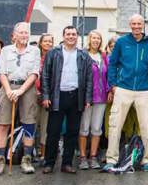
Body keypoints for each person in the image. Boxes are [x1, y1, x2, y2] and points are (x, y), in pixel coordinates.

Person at [103, 14, 148, 172]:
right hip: (123, 88)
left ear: (143, 25)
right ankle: (111, 160)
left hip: (144, 90)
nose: (136, 26)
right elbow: (112, 64)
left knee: (147, 126)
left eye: (139, 24)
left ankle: (146, 160)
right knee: (115, 125)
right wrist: (113, 85)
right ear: (130, 24)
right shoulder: (121, 42)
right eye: (133, 24)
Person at [41, 26, 93, 174]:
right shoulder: (53, 53)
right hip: (57, 97)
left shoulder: (83, 55)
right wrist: (45, 96)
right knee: (53, 131)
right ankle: (49, 163)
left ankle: (67, 163)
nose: (71, 36)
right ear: (63, 36)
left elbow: (89, 78)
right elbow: (45, 75)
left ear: (77, 37)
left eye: (74, 34)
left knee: (72, 132)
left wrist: (87, 98)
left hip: (76, 96)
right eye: (68, 34)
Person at [0, 22, 41, 175]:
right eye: (21, 33)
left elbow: (34, 73)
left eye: (26, 33)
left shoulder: (34, 51)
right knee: (3, 124)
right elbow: (1, 72)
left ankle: (26, 159)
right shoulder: (6, 50)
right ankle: (0, 160)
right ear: (14, 35)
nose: (24, 36)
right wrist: (8, 90)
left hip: (26, 88)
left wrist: (20, 90)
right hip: (8, 87)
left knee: (29, 124)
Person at [78, 30, 108, 170]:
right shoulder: (83, 55)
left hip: (101, 98)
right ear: (89, 40)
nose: (96, 40)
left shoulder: (103, 56)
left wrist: (109, 90)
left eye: (98, 38)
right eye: (94, 38)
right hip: (86, 97)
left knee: (96, 128)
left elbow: (108, 75)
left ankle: (93, 157)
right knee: (84, 128)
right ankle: (83, 157)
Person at [35, 33, 54, 160]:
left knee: (45, 125)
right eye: (45, 41)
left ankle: (43, 153)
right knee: (32, 123)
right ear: (40, 43)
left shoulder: (55, 57)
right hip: (33, 93)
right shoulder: (34, 57)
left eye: (50, 41)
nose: (48, 43)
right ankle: (30, 151)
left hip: (48, 96)